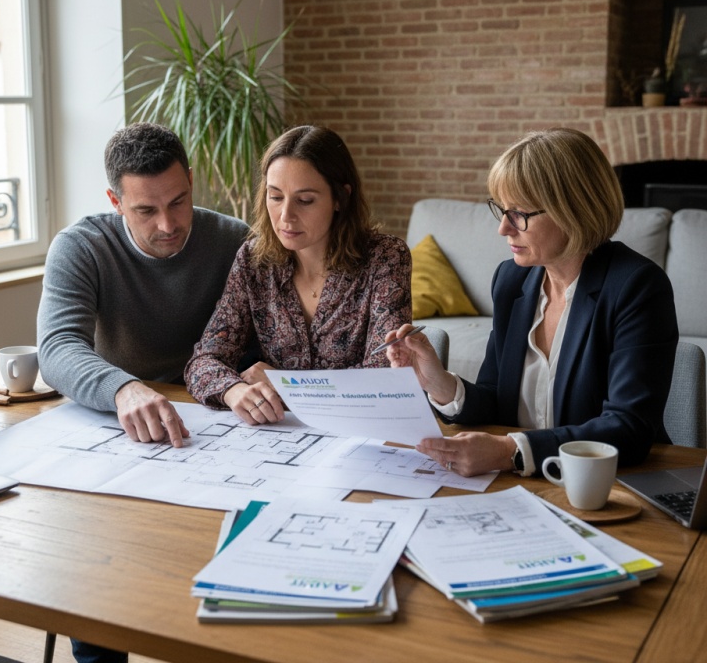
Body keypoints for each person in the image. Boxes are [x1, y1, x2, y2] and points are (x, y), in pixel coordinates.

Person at [36, 122, 248, 663]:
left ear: (192, 182)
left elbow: (269, 336)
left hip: (216, 430)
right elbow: (58, 347)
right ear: (115, 201)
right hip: (118, 432)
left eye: (179, 202)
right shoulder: (82, 246)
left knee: (227, 586)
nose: (169, 224)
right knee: (102, 579)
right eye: (145, 211)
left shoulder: (234, 239)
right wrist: (123, 388)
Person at [386, 127, 678, 477]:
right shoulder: (513, 281)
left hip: (612, 486)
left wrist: (509, 452)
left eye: (520, 213)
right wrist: (439, 384)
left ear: (574, 209)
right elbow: (498, 399)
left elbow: (629, 428)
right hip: (526, 487)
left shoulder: (636, 286)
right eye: (502, 210)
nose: (504, 229)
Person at [185, 124, 412, 420]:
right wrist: (234, 390)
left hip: (361, 431)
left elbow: (383, 377)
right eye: (275, 196)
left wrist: (286, 384)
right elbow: (204, 360)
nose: (285, 216)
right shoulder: (254, 260)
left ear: (340, 199)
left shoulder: (385, 258)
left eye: (305, 200)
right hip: (284, 435)